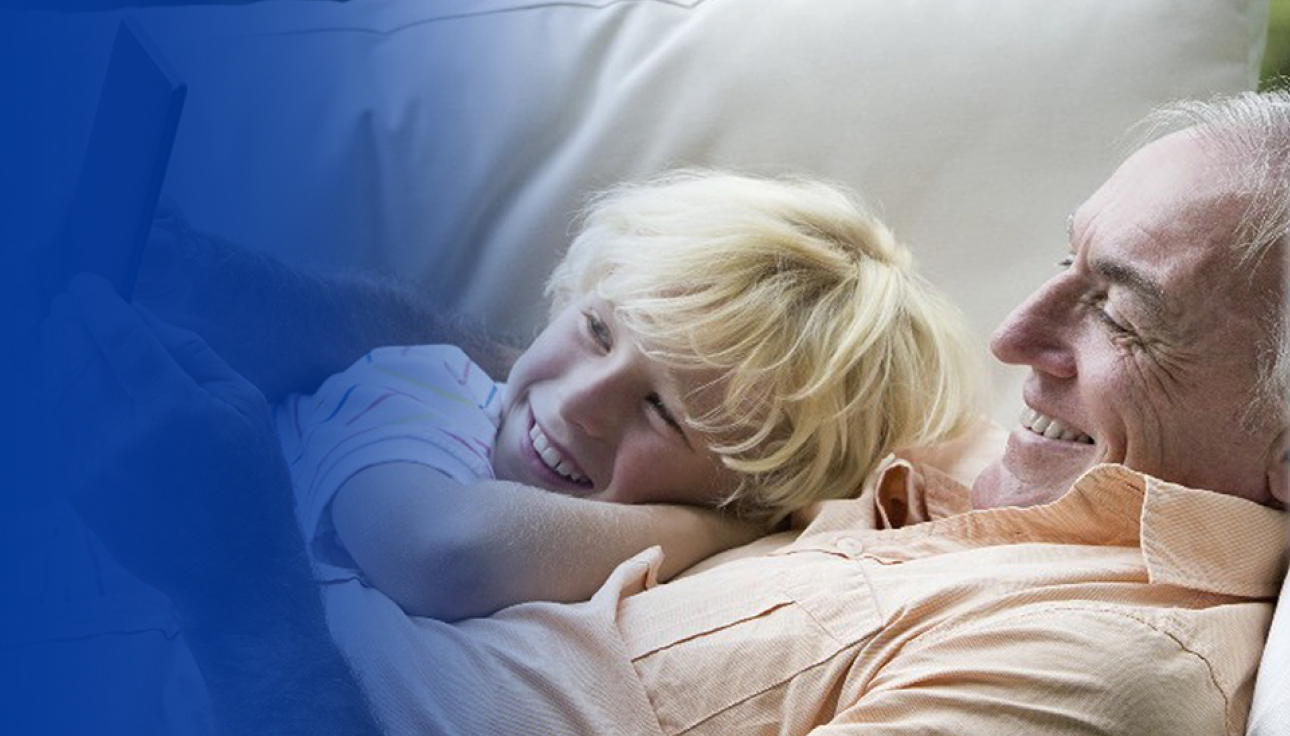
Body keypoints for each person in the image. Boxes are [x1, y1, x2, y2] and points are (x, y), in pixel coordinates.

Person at [37, 90, 1289, 735]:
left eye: (1121, 315)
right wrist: (303, 319)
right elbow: (646, 388)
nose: (1017, 333)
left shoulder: (1104, 674)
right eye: (1065, 257)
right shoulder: (1022, 477)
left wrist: (237, 604)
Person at [281, 170, 982, 620]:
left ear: (752, 490)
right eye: (595, 330)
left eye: (662, 412)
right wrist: (714, 529)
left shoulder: (722, 591)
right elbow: (444, 551)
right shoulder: (420, 389)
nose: (585, 401)